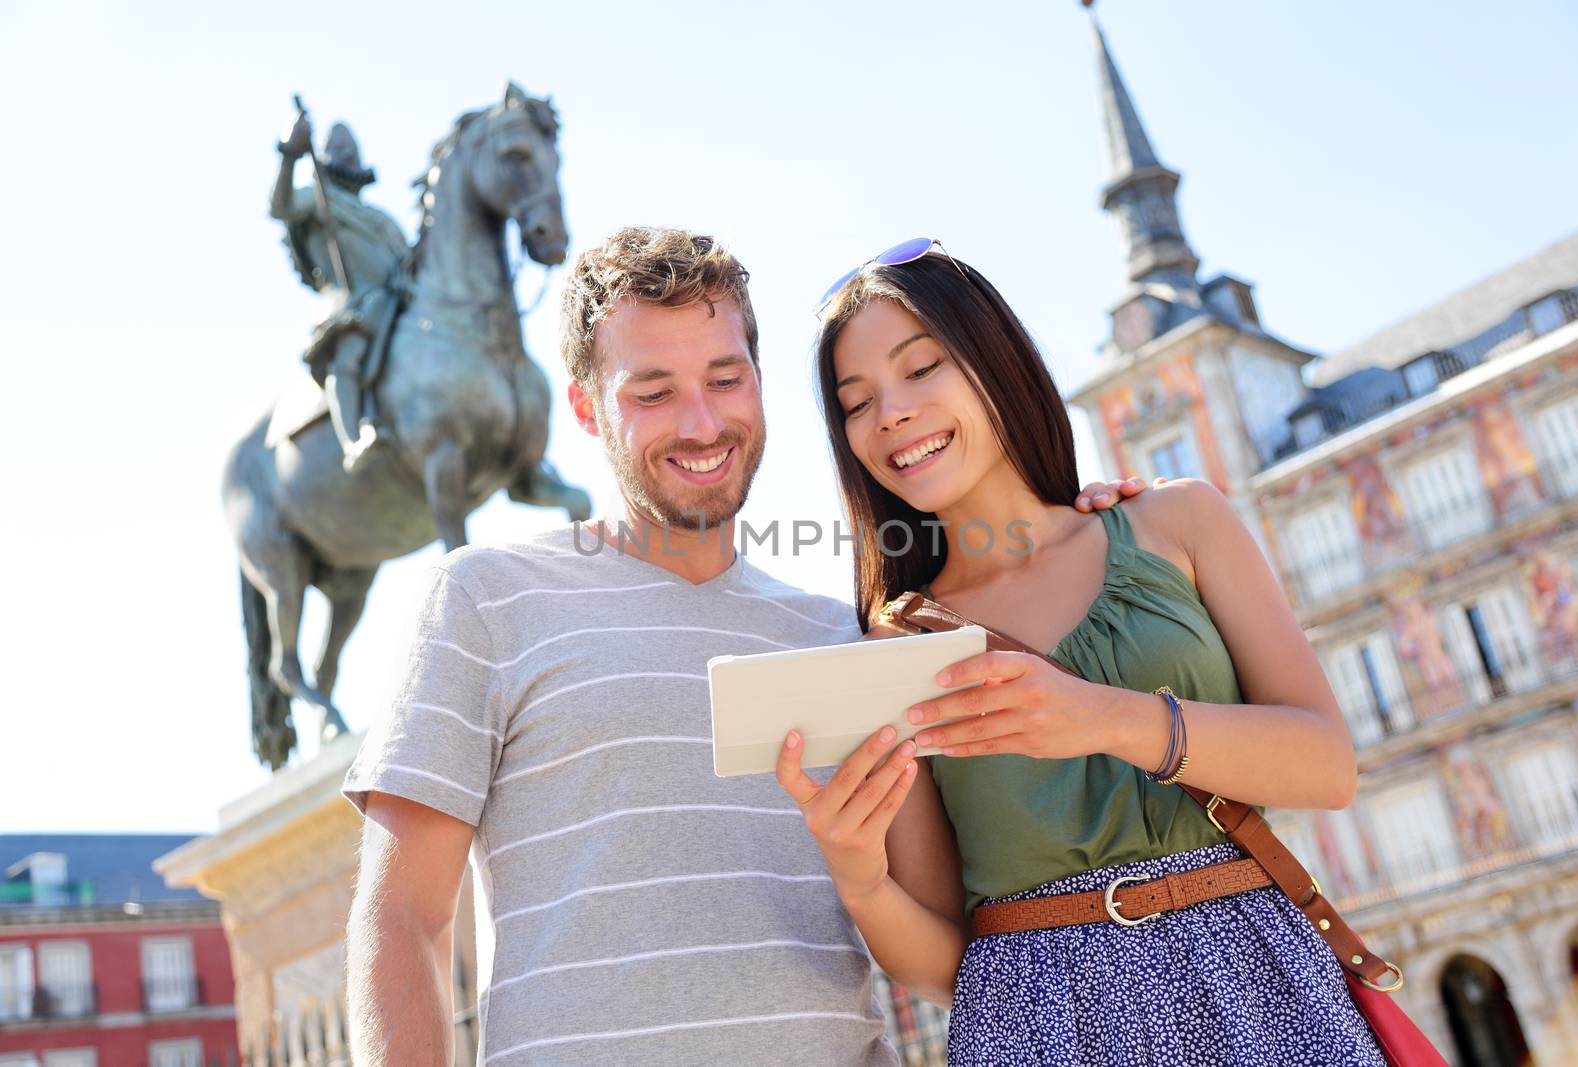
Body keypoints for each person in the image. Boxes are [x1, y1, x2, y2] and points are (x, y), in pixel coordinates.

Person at [339, 223, 1157, 1064]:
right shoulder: (486, 597)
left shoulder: (847, 632)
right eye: (651, 392)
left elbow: (952, 947)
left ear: (759, 384)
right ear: (585, 406)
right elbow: (402, 916)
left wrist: (1071, 516)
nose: (701, 422)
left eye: (724, 379)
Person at [776, 242, 1387, 1065]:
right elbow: (944, 961)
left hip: (1258, 983)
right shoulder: (895, 643)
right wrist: (858, 877)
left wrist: (1104, 717)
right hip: (1041, 1026)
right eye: (856, 402)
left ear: (996, 362)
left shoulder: (1179, 523)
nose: (889, 414)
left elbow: (1327, 766)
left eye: (922, 368)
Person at [270, 113, 409, 472]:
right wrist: (289, 154)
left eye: (353, 150)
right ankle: (354, 440)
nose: (348, 156)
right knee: (349, 356)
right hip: (352, 305)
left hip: (396, 301)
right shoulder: (316, 199)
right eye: (340, 150)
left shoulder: (382, 219)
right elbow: (280, 207)